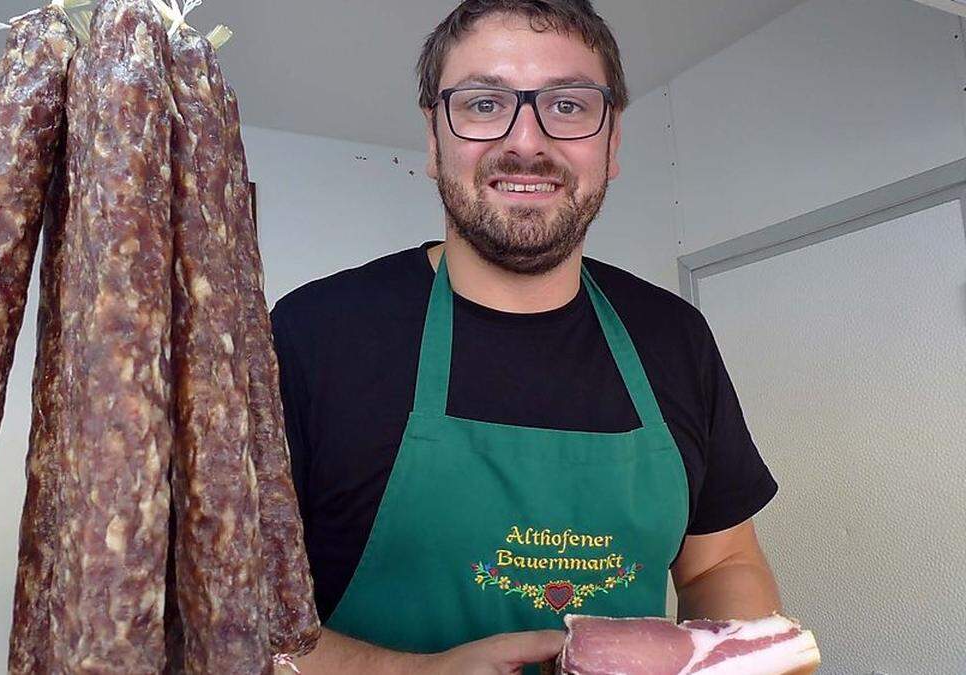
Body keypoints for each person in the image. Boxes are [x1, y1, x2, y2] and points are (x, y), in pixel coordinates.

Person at [269, 1, 783, 672]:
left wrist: (735, 660)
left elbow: (722, 558)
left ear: (612, 141)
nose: (527, 142)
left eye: (567, 106)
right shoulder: (313, 333)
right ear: (433, 138)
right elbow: (234, 615)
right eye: (485, 104)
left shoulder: (674, 336)